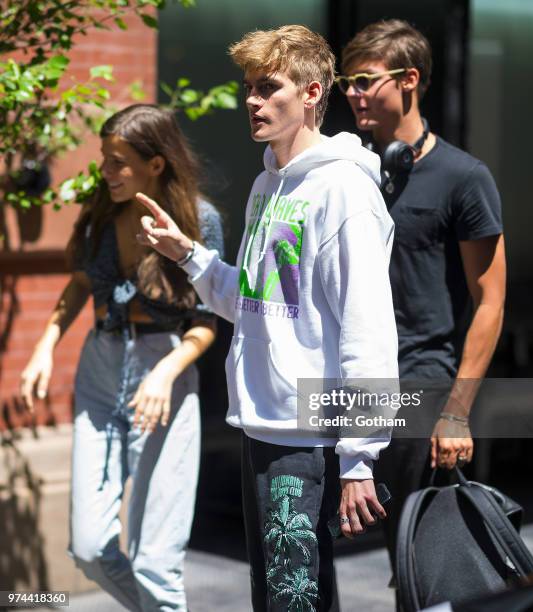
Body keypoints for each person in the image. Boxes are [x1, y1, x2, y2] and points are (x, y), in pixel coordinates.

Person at [134, 24, 399, 612]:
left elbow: (369, 329)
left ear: (311, 92)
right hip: (262, 425)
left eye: (267, 87)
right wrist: (188, 253)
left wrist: (358, 458)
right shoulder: (266, 185)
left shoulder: (344, 193)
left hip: (307, 437)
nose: (251, 100)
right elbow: (252, 303)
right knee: (283, 601)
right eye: (248, 87)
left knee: (291, 601)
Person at [19, 104, 224, 611]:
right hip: (100, 368)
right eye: (104, 160)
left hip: (167, 374)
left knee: (155, 559)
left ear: (156, 163)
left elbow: (207, 321)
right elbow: (81, 283)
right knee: (88, 549)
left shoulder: (199, 220)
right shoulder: (101, 214)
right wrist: (45, 345)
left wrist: (165, 372)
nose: (105, 172)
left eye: (118, 162)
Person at [339, 18, 506, 587]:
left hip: (420, 381)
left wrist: (456, 410)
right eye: (347, 83)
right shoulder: (350, 171)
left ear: (409, 80)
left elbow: (490, 300)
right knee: (307, 547)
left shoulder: (464, 177)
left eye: (365, 80)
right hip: (346, 382)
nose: (354, 94)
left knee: (420, 566)